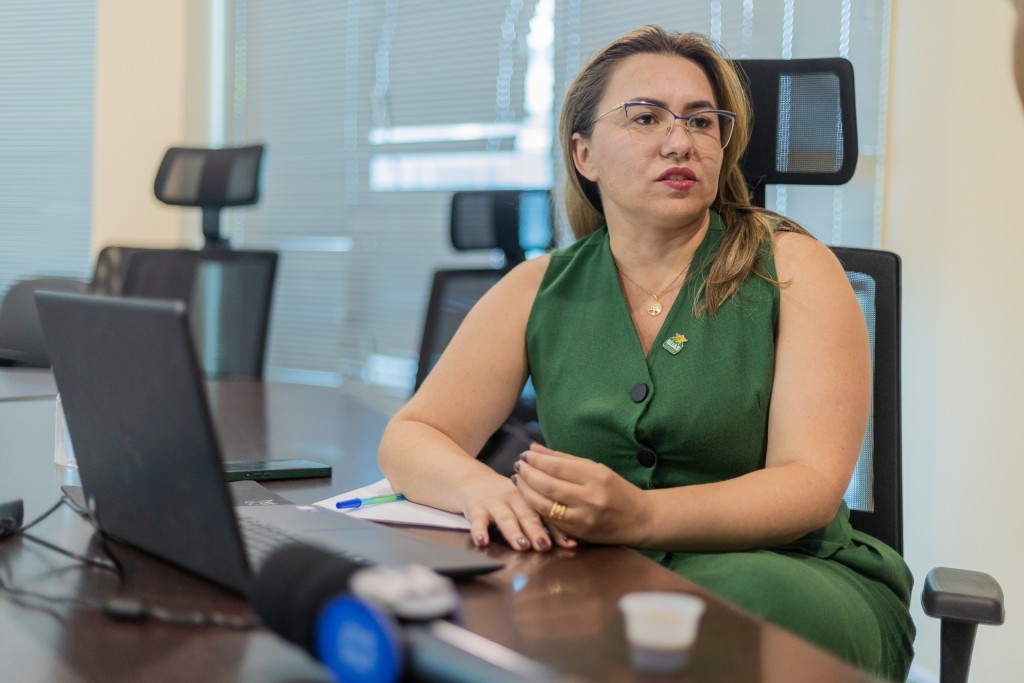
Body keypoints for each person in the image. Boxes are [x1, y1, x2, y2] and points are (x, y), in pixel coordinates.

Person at [379, 26, 914, 680]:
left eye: (701, 120)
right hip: (607, 574)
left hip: (790, 574)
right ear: (585, 154)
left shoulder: (794, 267)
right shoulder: (539, 286)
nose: (680, 140)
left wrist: (640, 516)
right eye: (645, 117)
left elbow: (808, 485)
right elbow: (413, 434)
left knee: (691, 619)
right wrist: (480, 488)